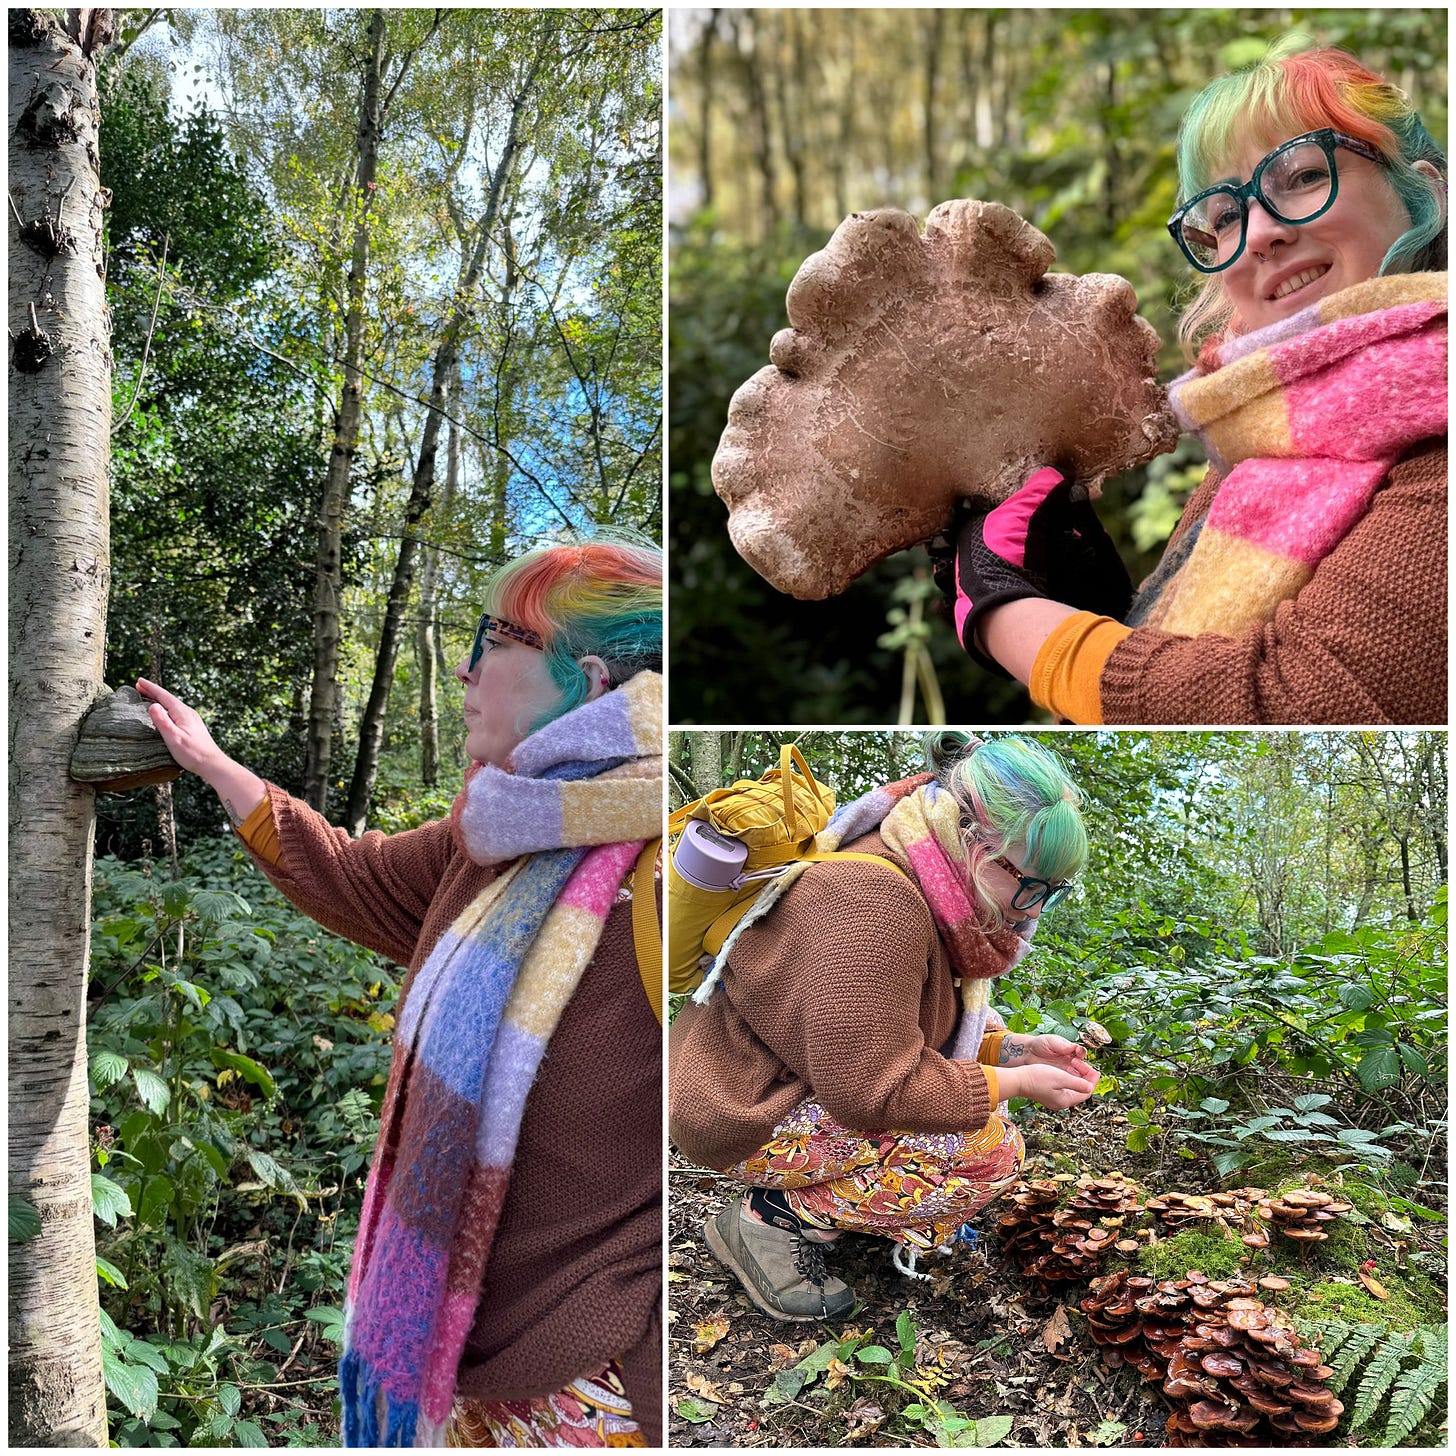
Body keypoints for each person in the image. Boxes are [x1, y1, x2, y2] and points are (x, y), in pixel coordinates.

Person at [138, 538, 664, 1449]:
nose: (463, 667)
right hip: (459, 1352)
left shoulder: (672, 871)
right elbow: (358, 876)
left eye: (491, 637)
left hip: (593, 1379)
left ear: (585, 677)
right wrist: (218, 768)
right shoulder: (497, 831)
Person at [946, 40, 1447, 724]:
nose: (1262, 233)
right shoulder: (1261, 435)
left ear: (1425, 191)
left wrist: (1008, 616)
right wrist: (1118, 617)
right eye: (1227, 216)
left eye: (1301, 175)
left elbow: (1291, 709)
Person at [668, 733, 1100, 1320]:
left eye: (1050, 892)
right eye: (1027, 882)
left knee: (976, 1122)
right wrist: (1018, 1086)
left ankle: (825, 1204)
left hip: (784, 1076)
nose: (1031, 910)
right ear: (969, 840)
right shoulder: (873, 902)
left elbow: (905, 1023)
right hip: (737, 1102)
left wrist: (1015, 1051)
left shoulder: (928, 876)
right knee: (987, 1151)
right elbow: (876, 1087)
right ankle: (770, 1219)